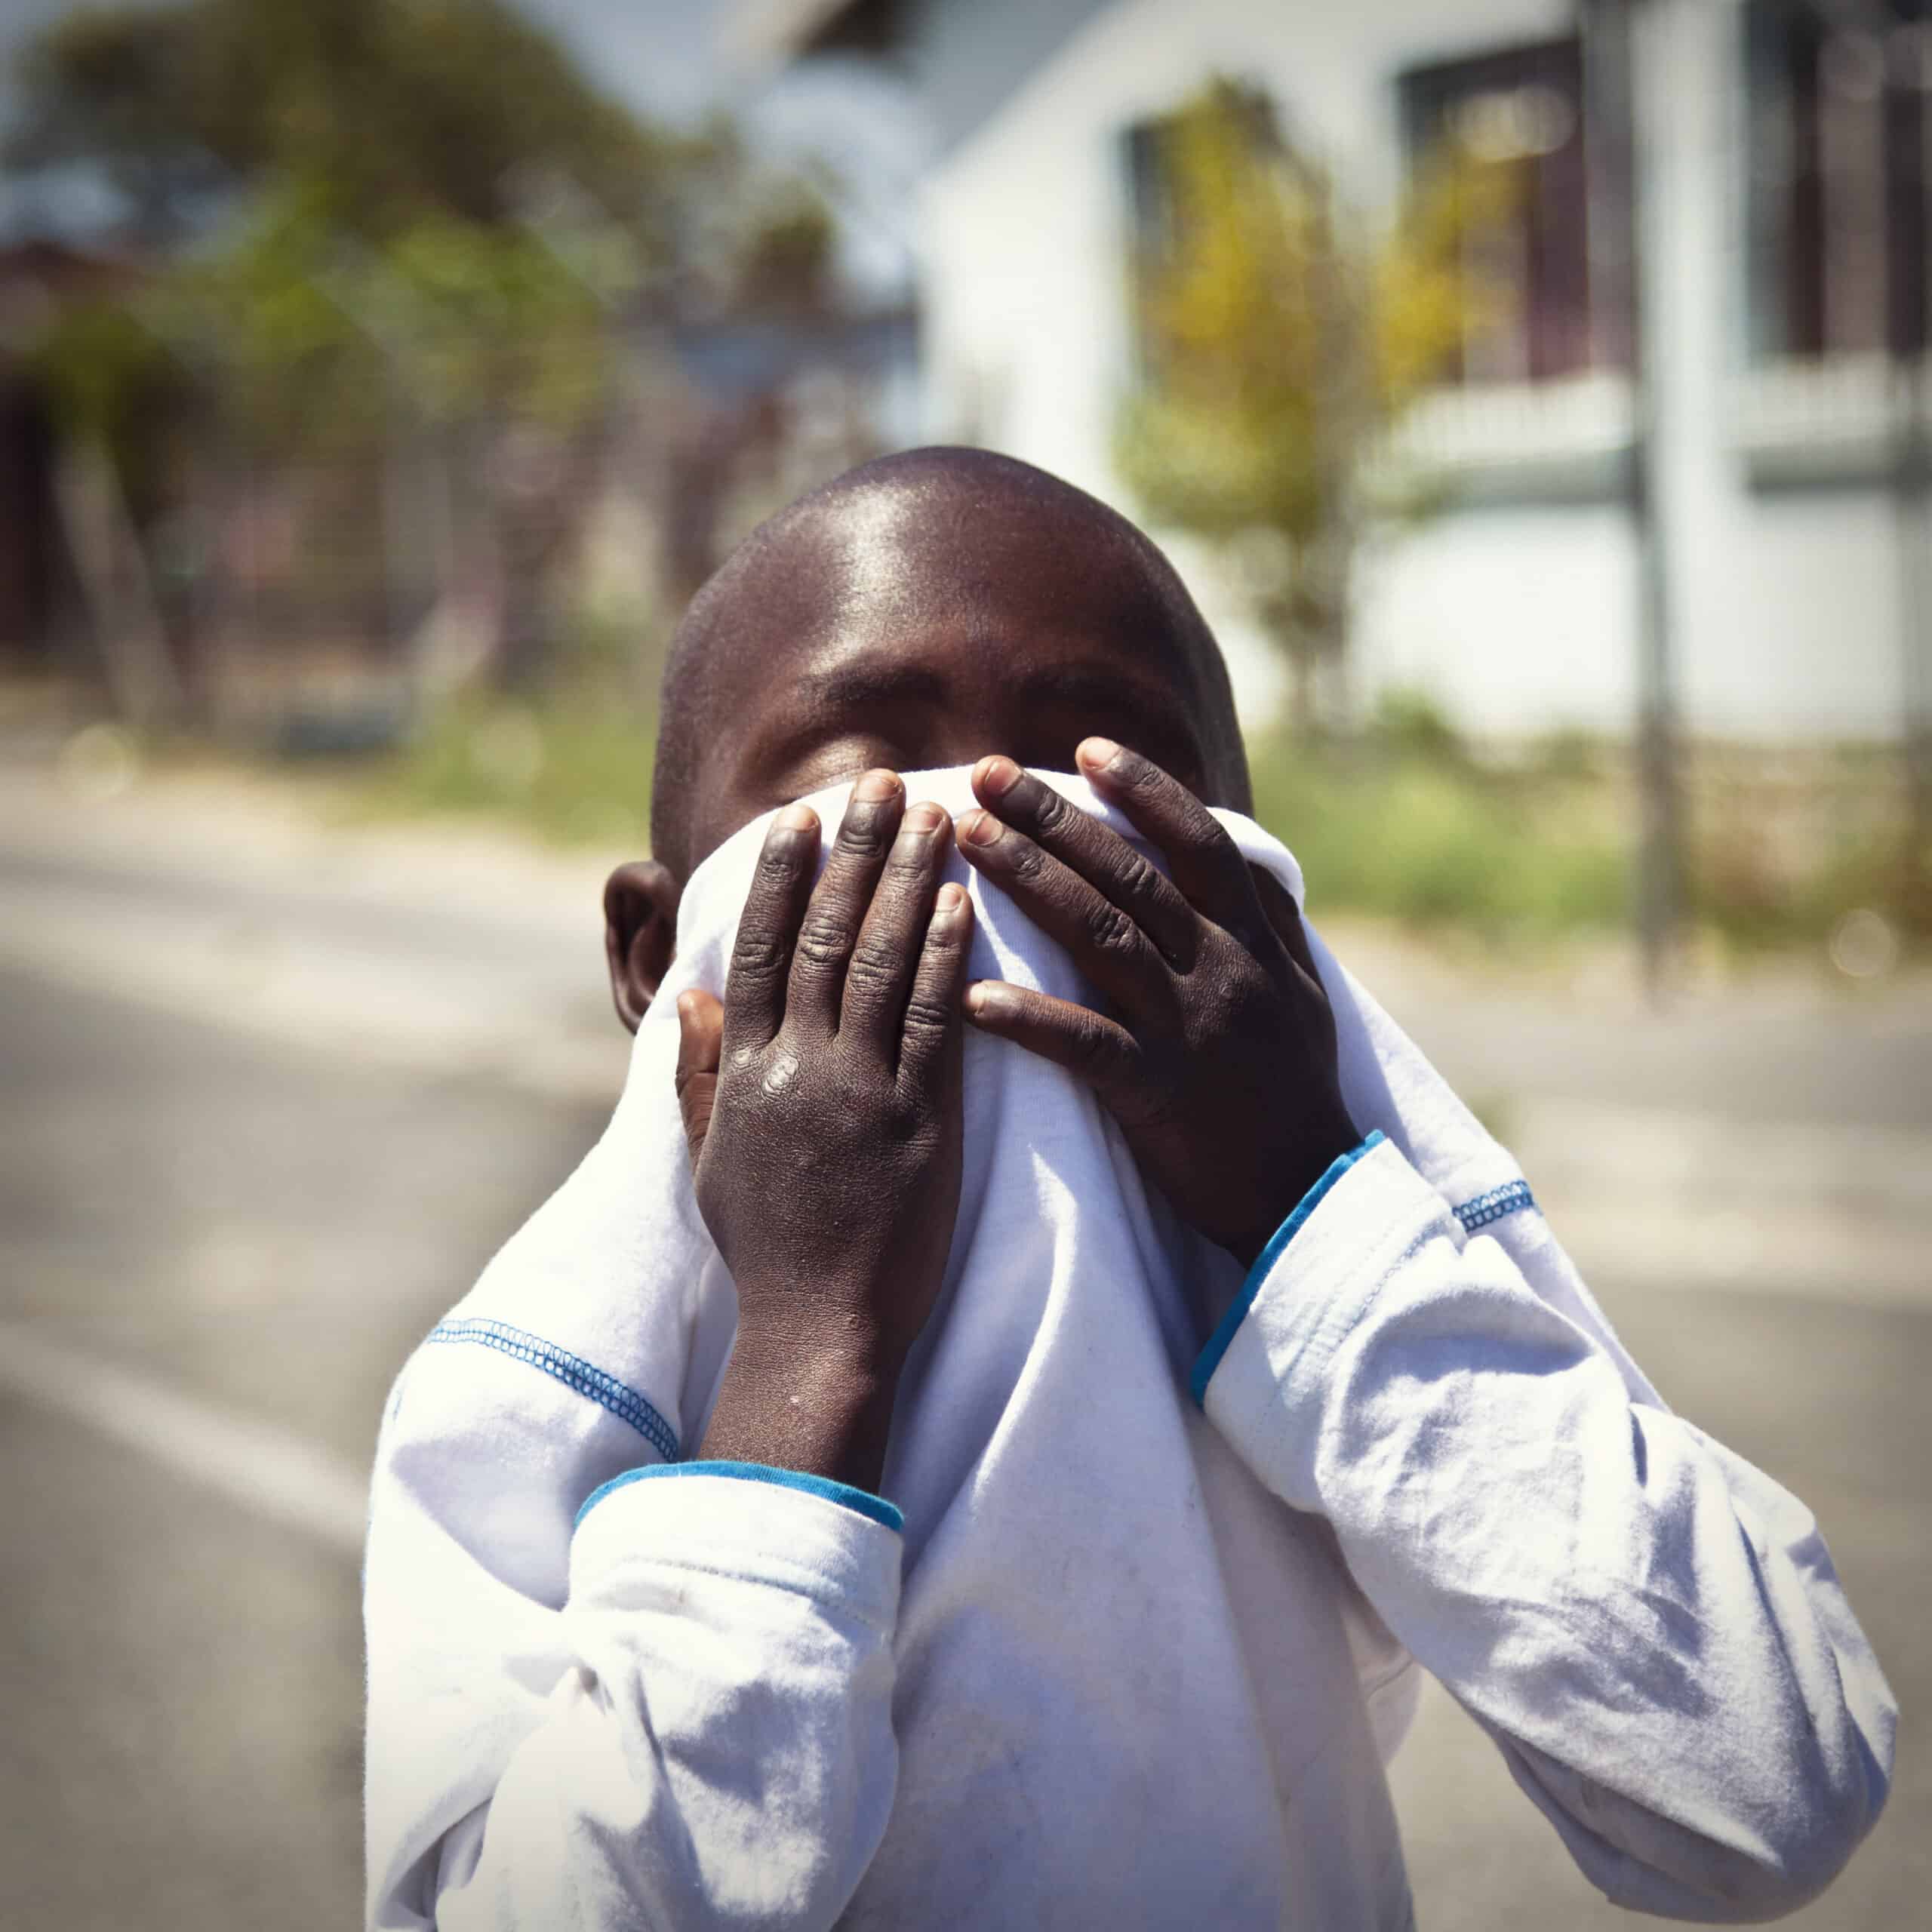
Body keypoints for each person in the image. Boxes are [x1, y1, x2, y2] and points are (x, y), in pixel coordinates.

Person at [364, 448, 1894, 1930]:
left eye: (1097, 770)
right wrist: (801, 1349)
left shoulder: (1333, 1199)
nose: (988, 833)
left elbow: (1765, 1781)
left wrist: (1302, 1200)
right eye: (865, 777)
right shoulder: (525, 1394)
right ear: (656, 956)